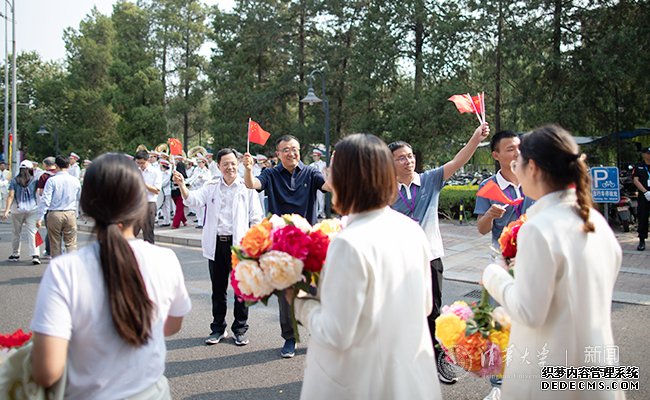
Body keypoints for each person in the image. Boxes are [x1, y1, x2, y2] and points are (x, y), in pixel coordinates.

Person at [289, 133, 442, 399]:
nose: (327, 173)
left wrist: (299, 298)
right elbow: (425, 306)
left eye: (332, 166)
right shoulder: (411, 230)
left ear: (347, 177)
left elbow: (335, 333)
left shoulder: (348, 243)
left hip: (361, 382)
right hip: (408, 378)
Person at [30, 153, 192, 399]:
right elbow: (171, 326)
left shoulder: (63, 269)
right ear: (139, 204)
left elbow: (46, 372)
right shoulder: (165, 259)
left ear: (86, 204)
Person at [482, 125, 624, 400]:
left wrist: (494, 274)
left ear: (532, 167)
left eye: (518, 160)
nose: (516, 166)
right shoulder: (596, 222)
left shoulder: (538, 228)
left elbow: (529, 312)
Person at [388, 122, 489, 384]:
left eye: (410, 156)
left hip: (430, 257)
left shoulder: (430, 180)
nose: (408, 161)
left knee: (433, 311)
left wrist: (476, 138)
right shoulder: (385, 191)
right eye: (401, 158)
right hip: (399, 261)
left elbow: (457, 160)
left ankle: (439, 360)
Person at [242, 134, 330, 358]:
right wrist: (249, 169)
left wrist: (336, 170)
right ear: (278, 154)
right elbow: (252, 184)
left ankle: (318, 336)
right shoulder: (271, 174)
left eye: (295, 149)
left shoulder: (310, 172)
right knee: (286, 294)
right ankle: (289, 338)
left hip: (309, 242)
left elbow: (328, 187)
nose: (292, 153)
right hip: (281, 244)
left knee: (316, 291)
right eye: (286, 150)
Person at [174, 148, 263, 346]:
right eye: (225, 164)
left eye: (233, 163)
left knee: (240, 291)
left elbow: (256, 218)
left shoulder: (246, 187)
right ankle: (217, 328)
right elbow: (193, 200)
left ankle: (240, 329)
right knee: (218, 289)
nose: (230, 167)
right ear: (218, 166)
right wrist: (181, 185)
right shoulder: (211, 186)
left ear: (238, 164)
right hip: (217, 245)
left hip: (239, 246)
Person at [473, 130, 534, 400]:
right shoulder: (488, 187)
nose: (516, 154)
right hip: (502, 262)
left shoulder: (533, 180)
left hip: (534, 261)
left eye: (519, 148)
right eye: (509, 149)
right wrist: (489, 214)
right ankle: (498, 385)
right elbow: (481, 229)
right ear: (496, 155)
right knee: (501, 323)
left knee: (531, 322)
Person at [37, 156, 81, 258]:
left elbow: (45, 200)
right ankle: (72, 268)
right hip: (70, 213)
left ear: (56, 166)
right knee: (71, 243)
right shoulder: (75, 181)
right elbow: (79, 198)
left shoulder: (52, 180)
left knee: (55, 244)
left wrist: (39, 217)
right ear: (69, 166)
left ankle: (57, 269)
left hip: (54, 213)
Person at [3, 160, 41, 264]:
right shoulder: (35, 180)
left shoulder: (14, 181)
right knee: (32, 232)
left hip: (17, 210)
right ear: (30, 169)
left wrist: (6, 211)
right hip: (32, 209)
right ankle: (35, 255)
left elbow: (11, 196)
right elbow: (39, 194)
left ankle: (15, 254)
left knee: (16, 232)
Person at [134, 149, 162, 243]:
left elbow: (157, 190)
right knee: (131, 231)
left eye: (142, 163)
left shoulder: (155, 172)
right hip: (137, 203)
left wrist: (144, 184)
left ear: (148, 160)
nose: (140, 166)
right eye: (138, 163)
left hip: (149, 203)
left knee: (148, 232)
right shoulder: (136, 171)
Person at [37, 157, 57, 258]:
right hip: (62, 206)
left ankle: (49, 251)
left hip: (49, 207)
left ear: (45, 165)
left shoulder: (44, 176)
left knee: (50, 230)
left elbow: (41, 192)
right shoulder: (60, 174)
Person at [185, 155, 212, 228]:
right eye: (198, 163)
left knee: (202, 208)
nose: (199, 164)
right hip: (196, 189)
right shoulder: (196, 169)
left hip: (203, 190)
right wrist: (187, 181)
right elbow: (193, 177)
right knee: (197, 207)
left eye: (200, 163)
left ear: (204, 163)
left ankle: (203, 222)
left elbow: (209, 180)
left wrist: (203, 177)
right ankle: (199, 221)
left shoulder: (207, 171)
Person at [632, 146, 650, 251]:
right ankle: (642, 241)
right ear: (643, 155)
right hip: (644, 196)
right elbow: (635, 180)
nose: (649, 155)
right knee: (643, 218)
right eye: (647, 153)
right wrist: (646, 192)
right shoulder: (639, 166)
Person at [171, 157, 188, 229]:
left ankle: (180, 222)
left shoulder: (177, 175)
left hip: (176, 192)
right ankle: (180, 222)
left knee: (179, 208)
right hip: (177, 192)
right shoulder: (178, 175)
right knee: (179, 208)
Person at [310, 148, 327, 218]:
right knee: (315, 199)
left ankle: (321, 212)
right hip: (314, 183)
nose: (314, 157)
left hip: (321, 183)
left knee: (321, 198)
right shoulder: (311, 165)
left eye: (315, 156)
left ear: (319, 156)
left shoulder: (324, 164)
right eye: (313, 156)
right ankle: (316, 213)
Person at [159, 159, 173, 227]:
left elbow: (165, 182)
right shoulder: (162, 173)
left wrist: (158, 185)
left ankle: (167, 221)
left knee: (166, 206)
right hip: (162, 192)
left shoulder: (168, 173)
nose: (160, 167)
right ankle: (165, 220)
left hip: (166, 191)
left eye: (161, 166)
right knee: (164, 207)